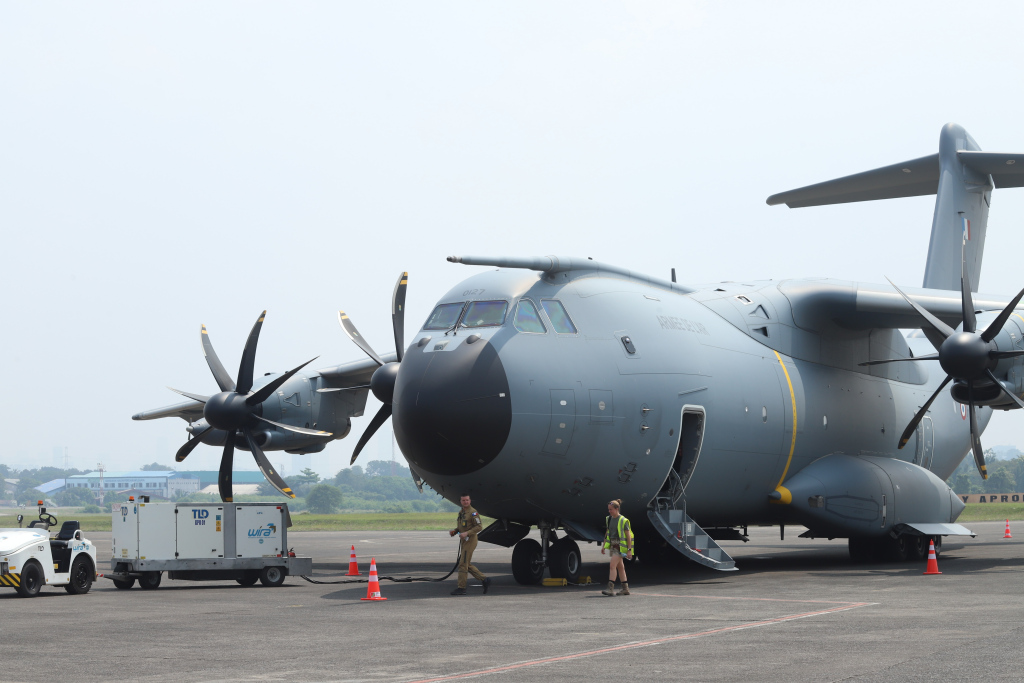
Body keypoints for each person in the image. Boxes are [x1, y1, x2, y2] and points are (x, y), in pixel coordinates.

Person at [448, 494, 491, 596]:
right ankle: (484, 579)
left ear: (470, 501)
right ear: (461, 501)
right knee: (465, 563)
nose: (465, 502)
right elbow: (461, 527)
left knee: (463, 564)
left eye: (467, 500)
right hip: (464, 541)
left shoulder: (473, 513)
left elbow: (479, 527)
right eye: (463, 500)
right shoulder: (461, 512)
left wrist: (467, 533)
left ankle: (461, 588)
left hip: (470, 540)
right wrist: (455, 531)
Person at [600, 499, 633, 596]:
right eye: (608, 510)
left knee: (612, 566)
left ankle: (610, 588)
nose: (609, 511)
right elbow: (607, 532)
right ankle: (625, 589)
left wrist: (629, 550)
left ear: (617, 509)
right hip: (613, 544)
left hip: (620, 546)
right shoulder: (609, 519)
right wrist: (604, 545)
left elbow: (628, 536)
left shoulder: (623, 520)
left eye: (611, 509)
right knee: (620, 567)